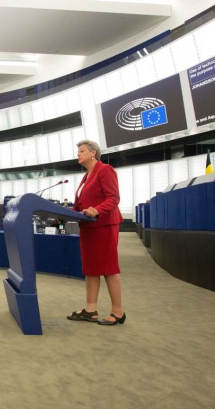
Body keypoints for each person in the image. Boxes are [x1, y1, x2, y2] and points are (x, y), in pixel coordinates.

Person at [67, 139, 125, 326]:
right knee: (91, 269)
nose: (78, 154)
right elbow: (80, 205)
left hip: (104, 224)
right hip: (89, 227)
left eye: (82, 151)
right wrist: (65, 212)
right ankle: (90, 310)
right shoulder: (85, 176)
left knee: (108, 268)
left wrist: (97, 210)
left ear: (93, 153)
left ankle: (118, 312)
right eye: (78, 151)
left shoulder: (105, 170)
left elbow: (113, 198)